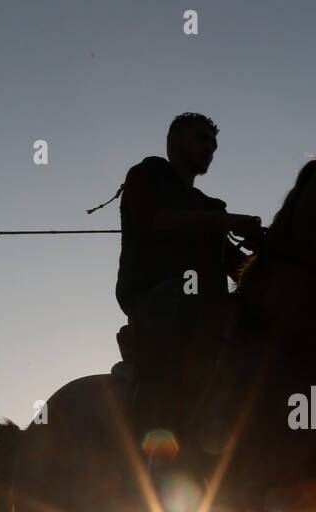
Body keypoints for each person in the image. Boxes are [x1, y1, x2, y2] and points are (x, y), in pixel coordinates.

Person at [103, 113, 261, 445]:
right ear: (175, 142)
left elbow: (234, 264)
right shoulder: (145, 175)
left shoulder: (209, 208)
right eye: (202, 138)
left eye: (214, 144)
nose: (210, 148)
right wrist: (226, 221)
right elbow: (151, 219)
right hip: (156, 295)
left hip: (206, 303)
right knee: (184, 302)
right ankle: (149, 422)